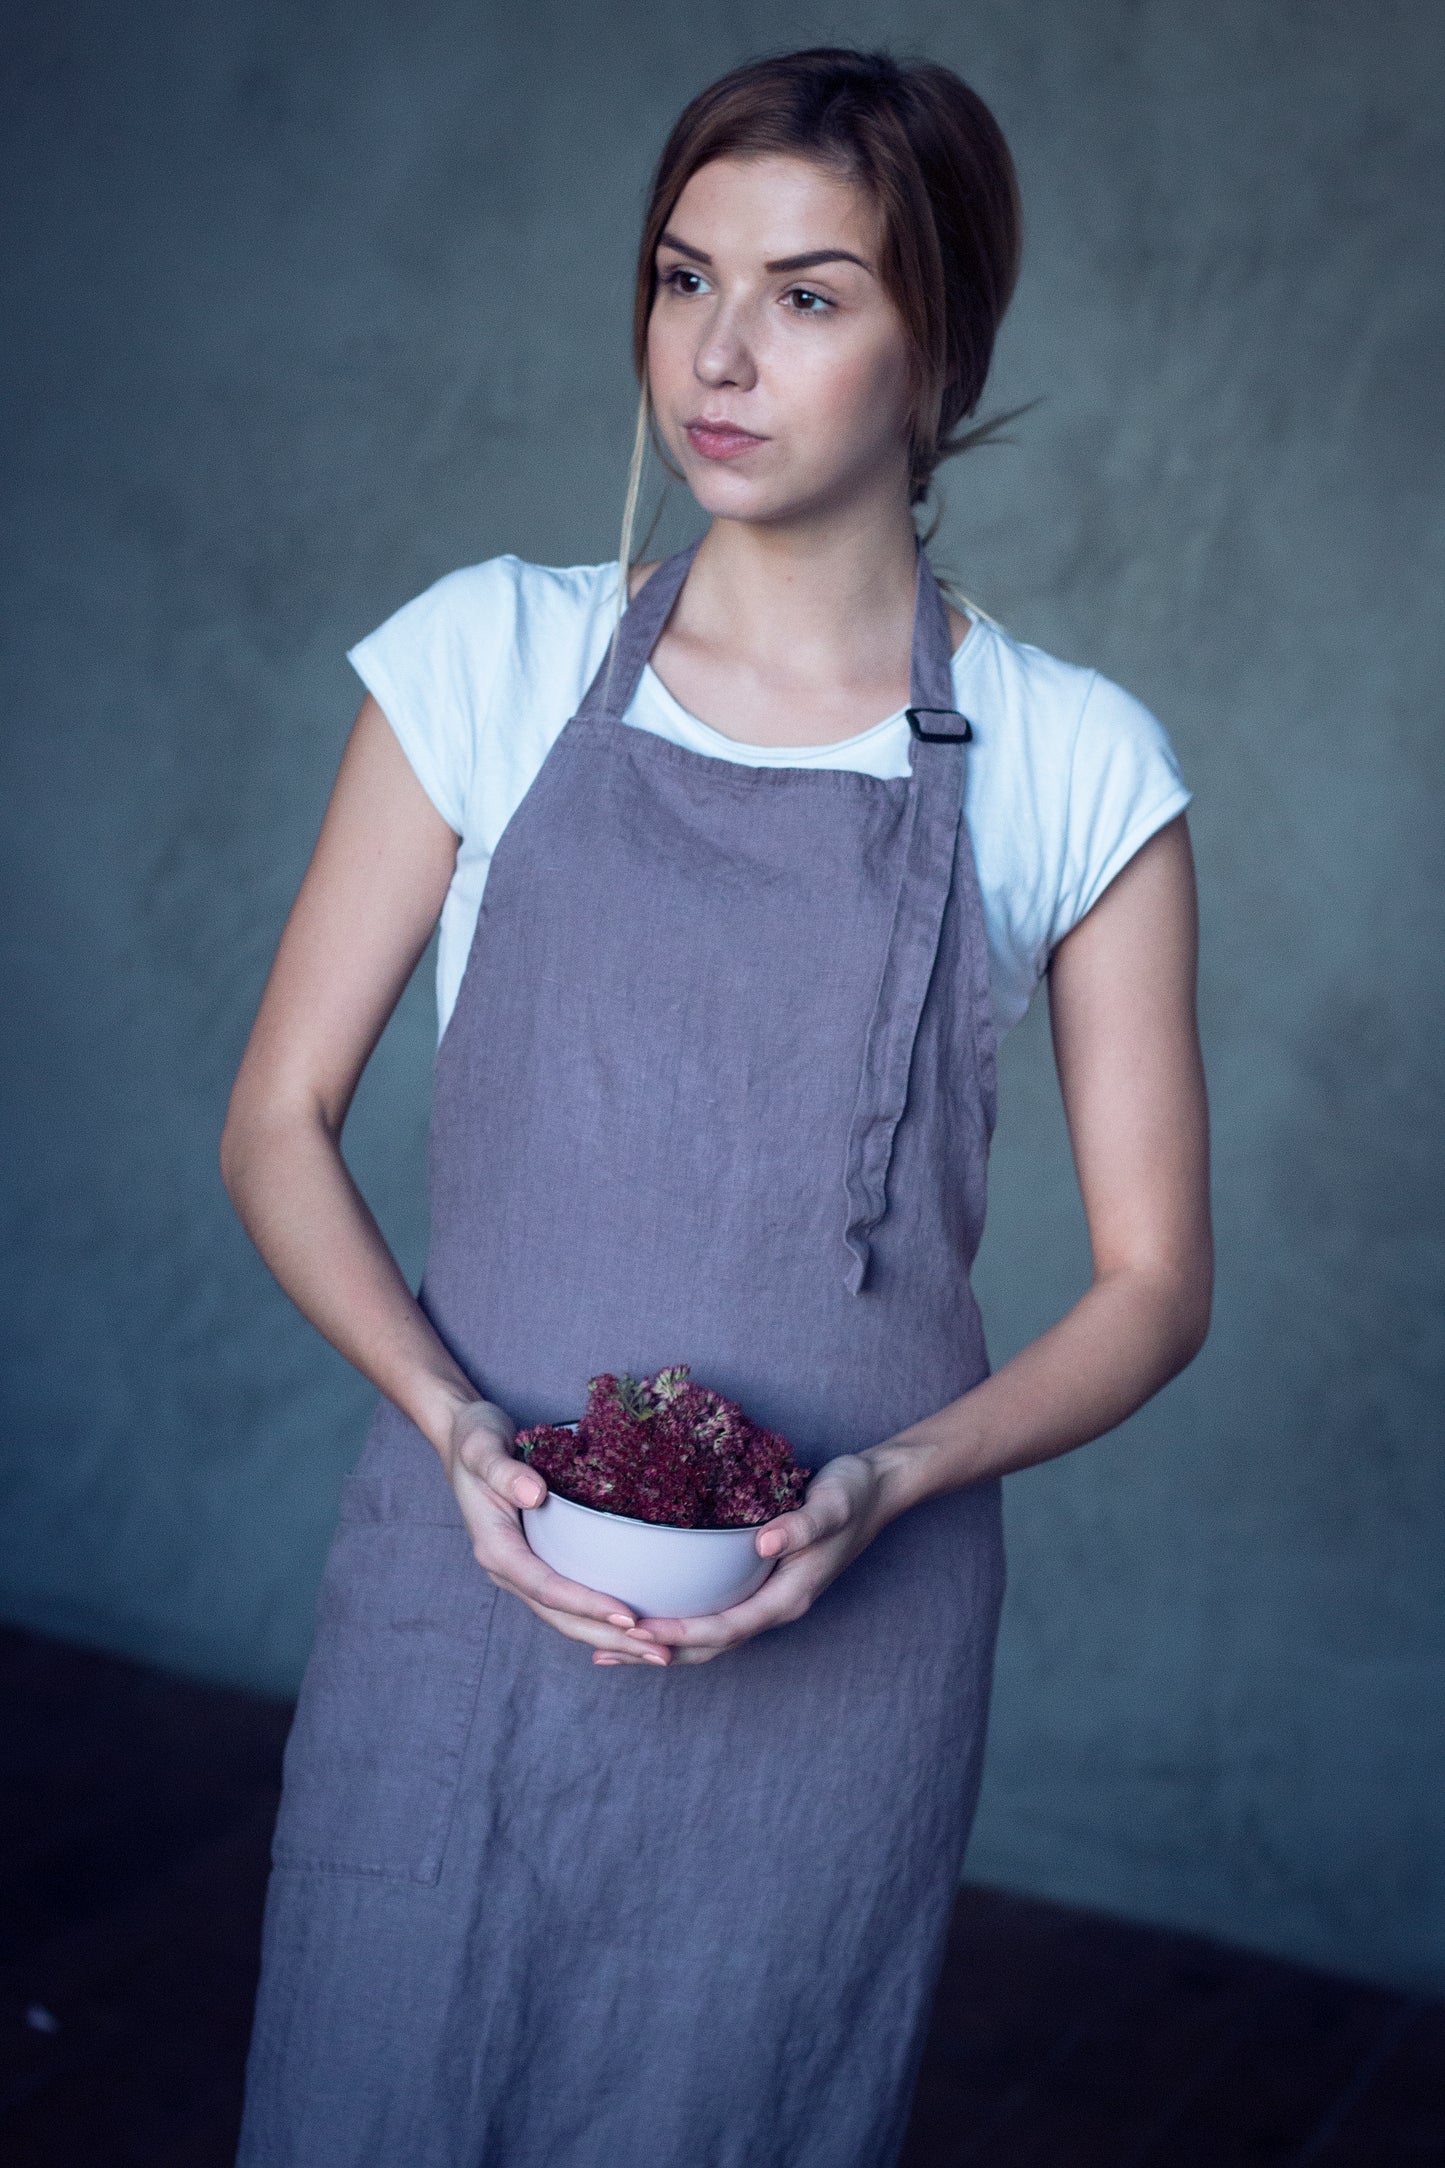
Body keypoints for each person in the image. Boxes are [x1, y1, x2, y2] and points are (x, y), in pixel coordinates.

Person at [222, 44, 1211, 2168]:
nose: (720, 353)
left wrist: (890, 1481)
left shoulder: (1073, 764)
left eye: (811, 293)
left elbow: (1152, 1284)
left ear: (936, 351)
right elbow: (276, 1123)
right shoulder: (486, 660)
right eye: (685, 278)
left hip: (847, 1640)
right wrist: (455, 1425)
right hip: (462, 1586)